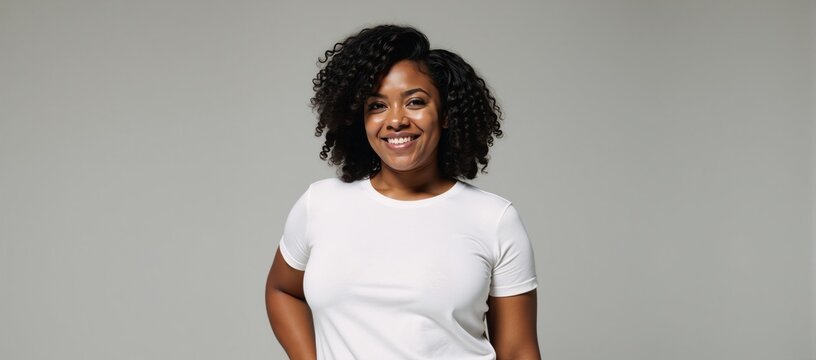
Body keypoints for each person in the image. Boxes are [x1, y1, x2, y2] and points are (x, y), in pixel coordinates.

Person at [265, 24, 540, 360]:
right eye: (377, 106)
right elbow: (282, 289)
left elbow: (517, 350)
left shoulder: (493, 219)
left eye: (415, 102)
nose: (395, 120)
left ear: (446, 114)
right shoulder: (320, 204)